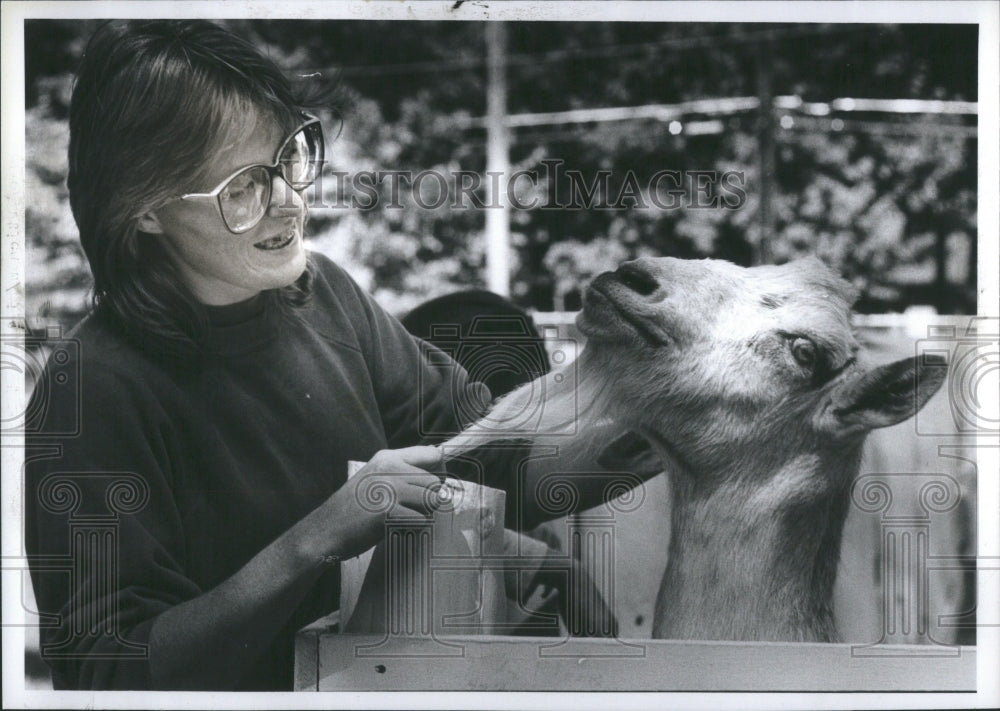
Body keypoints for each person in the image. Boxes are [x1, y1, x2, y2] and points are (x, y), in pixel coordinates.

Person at [25, 19, 494, 691]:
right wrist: (317, 538)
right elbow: (106, 674)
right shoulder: (93, 384)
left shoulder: (325, 292)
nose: (288, 203)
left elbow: (485, 441)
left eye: (287, 159)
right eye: (241, 187)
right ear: (147, 211)